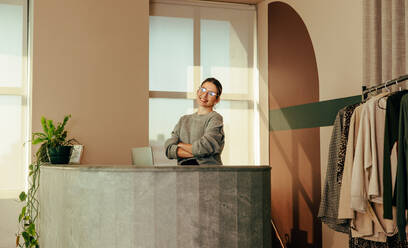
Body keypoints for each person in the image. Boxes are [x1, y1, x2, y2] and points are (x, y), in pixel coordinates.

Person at [164, 78, 225, 165]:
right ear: (197, 91)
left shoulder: (215, 118)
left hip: (208, 173)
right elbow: (169, 149)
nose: (204, 95)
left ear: (217, 99)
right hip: (184, 173)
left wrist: (179, 145)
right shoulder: (183, 120)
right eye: (203, 89)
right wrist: (198, 153)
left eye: (211, 93)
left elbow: (204, 147)